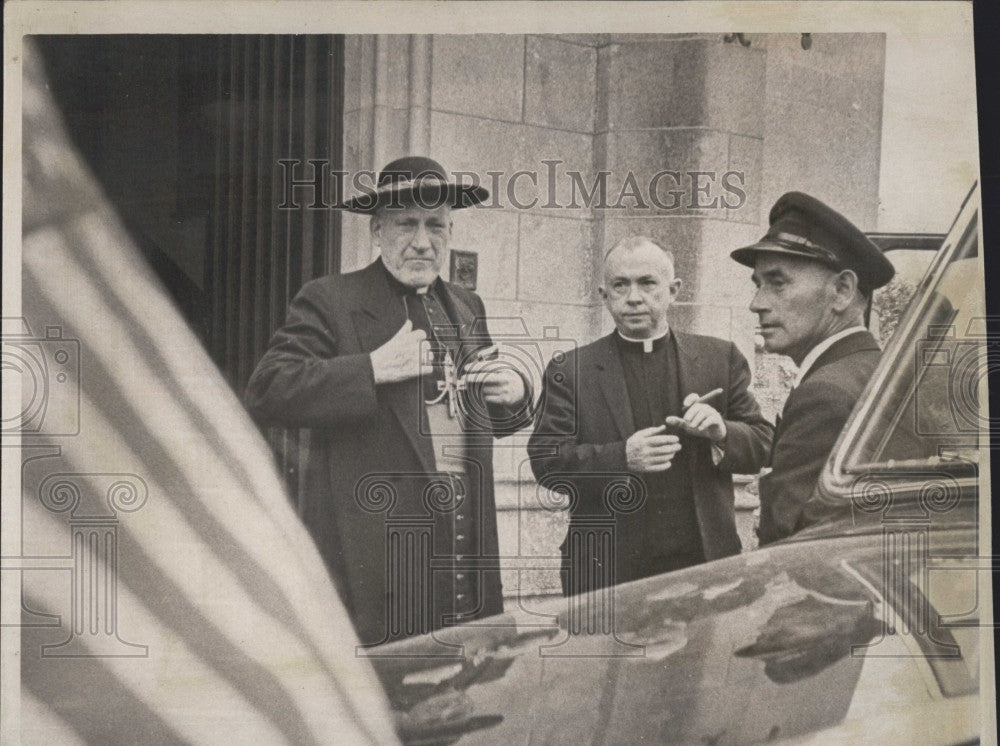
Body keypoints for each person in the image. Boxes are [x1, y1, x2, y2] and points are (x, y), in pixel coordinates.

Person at [246, 156, 534, 646]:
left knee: (466, 691)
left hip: (467, 550)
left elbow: (486, 415)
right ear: (377, 231)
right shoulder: (330, 299)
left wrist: (516, 394)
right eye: (406, 225)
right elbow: (269, 389)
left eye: (435, 226)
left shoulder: (467, 306)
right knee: (396, 701)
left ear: (450, 231)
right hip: (377, 557)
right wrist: (374, 368)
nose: (422, 241)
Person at [528, 237, 773, 596]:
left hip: (704, 566)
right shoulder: (571, 369)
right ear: (603, 295)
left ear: (673, 290)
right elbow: (545, 462)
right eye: (620, 285)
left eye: (647, 283)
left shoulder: (719, 358)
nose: (633, 297)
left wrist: (722, 433)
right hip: (605, 570)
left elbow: (764, 444)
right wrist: (621, 457)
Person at [731, 191, 895, 545]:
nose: (755, 304)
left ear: (841, 291)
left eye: (777, 283)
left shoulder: (825, 394)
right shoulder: (874, 369)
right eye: (758, 285)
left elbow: (792, 547)